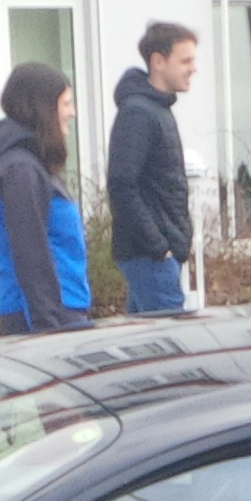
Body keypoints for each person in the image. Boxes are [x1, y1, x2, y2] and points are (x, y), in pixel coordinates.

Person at [0, 62, 89, 334]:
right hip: (46, 316)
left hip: (55, 309)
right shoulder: (22, 170)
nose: (72, 112)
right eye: (66, 103)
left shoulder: (27, 164)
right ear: (43, 108)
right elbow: (30, 252)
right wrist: (49, 325)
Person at [108, 22, 197, 315]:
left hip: (154, 256)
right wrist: (158, 247)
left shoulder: (157, 110)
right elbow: (121, 185)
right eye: (185, 61)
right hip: (149, 257)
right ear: (158, 61)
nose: (193, 69)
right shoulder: (138, 113)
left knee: (143, 339)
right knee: (171, 338)